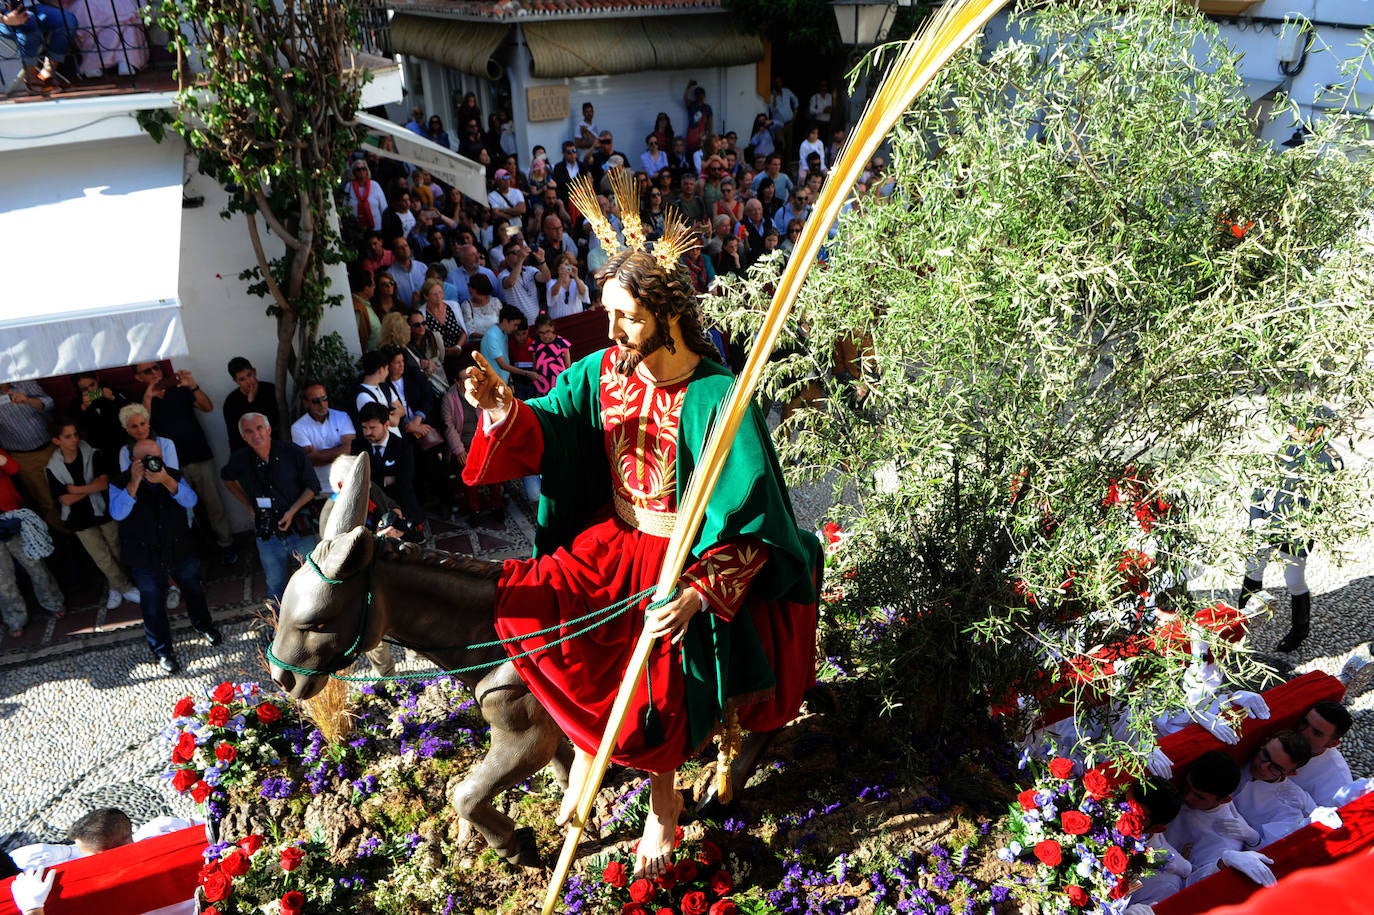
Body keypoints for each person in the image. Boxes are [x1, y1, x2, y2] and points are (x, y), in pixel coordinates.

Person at [461, 208, 820, 876]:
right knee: (533, 615)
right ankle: (586, 756)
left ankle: (663, 805)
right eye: (607, 314)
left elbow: (754, 509)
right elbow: (552, 428)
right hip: (614, 540)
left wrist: (700, 589)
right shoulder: (604, 371)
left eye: (626, 316)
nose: (612, 330)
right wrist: (499, 408)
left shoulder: (716, 396)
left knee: (659, 678)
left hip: (682, 559)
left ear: (667, 314)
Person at [110, 438, 220, 673]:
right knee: (151, 603)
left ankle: (204, 626)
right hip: (144, 554)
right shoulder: (120, 482)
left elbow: (191, 500)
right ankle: (162, 650)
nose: (153, 462)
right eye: (147, 459)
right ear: (134, 461)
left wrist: (166, 480)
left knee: (193, 589)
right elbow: (118, 513)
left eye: (157, 458)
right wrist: (134, 481)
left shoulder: (171, 474)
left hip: (178, 547)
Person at [1239, 407, 1343, 652]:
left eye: (1299, 428)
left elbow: (1319, 506)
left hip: (1296, 531)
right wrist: (1256, 517)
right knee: (1253, 570)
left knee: (1294, 580)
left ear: (1317, 430)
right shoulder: (1287, 444)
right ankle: (1240, 623)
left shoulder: (1329, 460)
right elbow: (1263, 482)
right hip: (1266, 522)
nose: (1293, 431)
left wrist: (1297, 530)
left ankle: (1299, 630)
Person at [132, 362, 237, 565]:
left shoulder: (178, 390)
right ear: (138, 377)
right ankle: (196, 553)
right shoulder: (140, 402)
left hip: (198, 455)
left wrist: (193, 385)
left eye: (156, 368)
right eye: (148, 371)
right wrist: (148, 396)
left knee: (213, 503)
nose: (155, 373)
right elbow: (141, 425)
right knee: (183, 511)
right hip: (170, 466)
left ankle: (226, 544)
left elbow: (207, 407)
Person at [221, 413, 320, 606]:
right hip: (267, 533)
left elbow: (313, 487)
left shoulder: (292, 452)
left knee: (315, 577)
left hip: (300, 526)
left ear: (268, 429)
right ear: (244, 437)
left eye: (259, 428)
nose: (255, 435)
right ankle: (280, 628)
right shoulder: (241, 459)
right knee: (275, 584)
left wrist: (292, 511)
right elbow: (227, 478)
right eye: (249, 431)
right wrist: (248, 506)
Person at [45, 420, 138, 611]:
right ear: (56, 441)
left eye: (75, 434)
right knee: (101, 556)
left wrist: (77, 489)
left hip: (103, 509)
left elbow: (103, 484)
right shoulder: (52, 468)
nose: (74, 440)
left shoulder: (93, 453)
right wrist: (91, 487)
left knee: (116, 547)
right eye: (68, 436)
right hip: (79, 519)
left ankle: (115, 585)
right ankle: (124, 587)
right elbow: (66, 500)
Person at [1164, 751, 1276, 888]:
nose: (1187, 797)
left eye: (1199, 797)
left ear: (1224, 800)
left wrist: (1221, 864)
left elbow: (1191, 884)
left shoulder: (1225, 840)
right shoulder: (1184, 789)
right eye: (1187, 787)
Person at [0, 445, 65, 639]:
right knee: (3, 579)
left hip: (10, 517)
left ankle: (53, 602)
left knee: (34, 563)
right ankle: (14, 619)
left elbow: (13, 468)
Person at [350, 402, 423, 529]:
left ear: (386, 425)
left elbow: (404, 481)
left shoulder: (403, 447)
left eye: (373, 428)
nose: (367, 433)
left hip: (402, 509)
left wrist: (374, 481)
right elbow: (359, 479)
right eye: (364, 428)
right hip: (373, 513)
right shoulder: (358, 446)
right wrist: (386, 479)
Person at [0, 380, 57, 524]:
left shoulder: (24, 382)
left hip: (52, 446)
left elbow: (50, 402)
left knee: (68, 489)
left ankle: (82, 530)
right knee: (46, 500)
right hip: (24, 457)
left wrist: (29, 400)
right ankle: (66, 536)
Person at [290, 384, 355, 492]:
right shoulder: (298, 427)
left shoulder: (342, 417)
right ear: (306, 403)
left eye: (324, 399)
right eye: (316, 401)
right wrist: (341, 449)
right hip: (319, 488)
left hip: (347, 484)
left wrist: (320, 453)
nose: (322, 404)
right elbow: (311, 459)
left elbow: (351, 448)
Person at [1291, 701, 1355, 807]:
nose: (1304, 733)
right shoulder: (1285, 729)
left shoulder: (1337, 785)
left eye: (1316, 733)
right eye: (1305, 723)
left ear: (1333, 743)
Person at [222, 357, 280, 455]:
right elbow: (234, 436)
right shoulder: (231, 402)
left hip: (274, 447)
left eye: (249, 375)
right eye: (242, 379)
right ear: (236, 381)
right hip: (249, 453)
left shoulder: (270, 390)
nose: (248, 381)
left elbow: (275, 421)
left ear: (254, 371)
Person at [66, 371, 130, 459]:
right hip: (99, 444)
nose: (91, 390)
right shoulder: (77, 402)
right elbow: (74, 425)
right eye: (84, 389)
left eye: (92, 385)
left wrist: (113, 398)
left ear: (97, 379)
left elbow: (131, 410)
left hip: (122, 438)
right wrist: (83, 408)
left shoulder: (111, 390)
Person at [529, 314, 571, 396]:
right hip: (542, 384)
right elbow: (535, 366)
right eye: (541, 333)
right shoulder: (535, 345)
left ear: (552, 328)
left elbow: (568, 365)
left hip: (559, 382)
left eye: (547, 331)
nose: (545, 335)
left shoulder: (562, 343)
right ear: (537, 332)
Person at [345, 159, 387, 232]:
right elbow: (345, 207)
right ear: (354, 172)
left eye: (363, 169)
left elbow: (384, 208)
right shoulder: (349, 187)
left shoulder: (375, 185)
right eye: (358, 169)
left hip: (376, 229)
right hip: (356, 229)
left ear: (367, 171)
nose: (361, 171)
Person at [546, 253, 590, 319]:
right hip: (557, 320)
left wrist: (575, 277)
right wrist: (561, 277)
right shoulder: (551, 282)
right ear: (557, 268)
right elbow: (553, 293)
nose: (565, 267)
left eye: (567, 264)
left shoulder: (577, 281)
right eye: (563, 265)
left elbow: (583, 292)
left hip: (576, 319)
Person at [683, 80, 713, 153]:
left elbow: (710, 122)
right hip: (692, 133)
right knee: (691, 151)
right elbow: (685, 98)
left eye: (701, 93)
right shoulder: (692, 104)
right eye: (697, 93)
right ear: (695, 95)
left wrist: (710, 135)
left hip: (703, 134)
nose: (699, 95)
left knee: (703, 152)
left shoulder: (707, 107)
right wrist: (688, 86)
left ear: (704, 95)